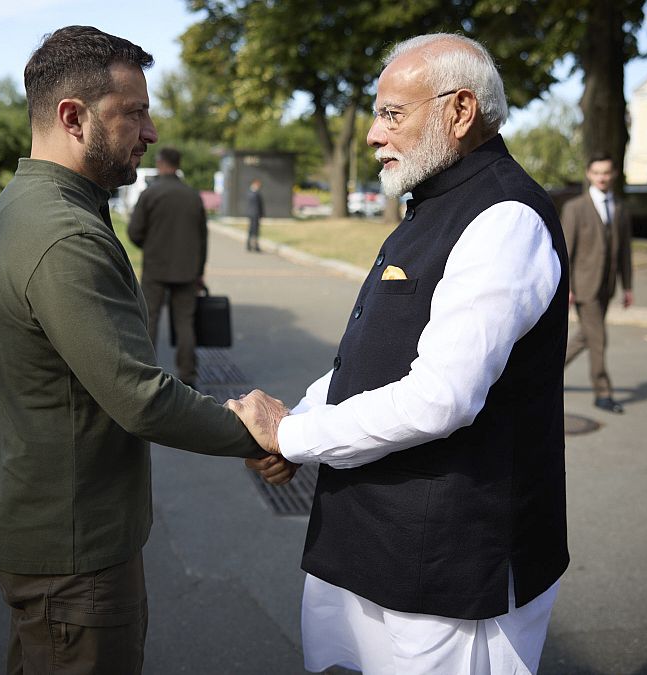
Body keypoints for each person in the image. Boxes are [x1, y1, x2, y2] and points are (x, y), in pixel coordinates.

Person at [228, 34, 569, 674]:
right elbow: (373, 357)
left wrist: (296, 435)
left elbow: (440, 398)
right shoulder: (435, 204)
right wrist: (292, 425)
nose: (372, 135)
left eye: (392, 114)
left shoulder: (503, 217)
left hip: (448, 566)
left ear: (459, 112)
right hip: (367, 540)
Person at [0, 26, 287, 674]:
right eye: (134, 112)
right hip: (74, 551)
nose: (149, 131)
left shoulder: (34, 206)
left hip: (50, 531)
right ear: (73, 117)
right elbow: (139, 396)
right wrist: (259, 433)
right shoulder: (63, 234)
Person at [560, 153, 633, 414]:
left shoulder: (620, 208)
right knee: (598, 338)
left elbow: (625, 251)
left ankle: (546, 372)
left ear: (613, 175)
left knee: (585, 337)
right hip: (583, 285)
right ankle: (603, 392)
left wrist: (627, 286)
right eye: (597, 172)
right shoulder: (575, 208)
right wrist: (566, 286)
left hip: (607, 285)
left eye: (606, 172)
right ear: (589, 175)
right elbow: (565, 251)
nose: (602, 177)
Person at [128, 147, 207, 385]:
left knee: (149, 319)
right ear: (178, 163)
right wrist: (199, 270)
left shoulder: (151, 194)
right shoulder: (192, 195)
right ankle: (188, 375)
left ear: (161, 163)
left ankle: (147, 374)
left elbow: (134, 232)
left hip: (156, 267)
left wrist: (149, 246)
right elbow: (203, 237)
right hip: (187, 269)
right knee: (185, 322)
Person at [245, 178, 263, 251]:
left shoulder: (252, 193)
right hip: (254, 214)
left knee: (253, 230)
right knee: (254, 230)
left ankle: (251, 245)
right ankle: (254, 245)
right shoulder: (253, 193)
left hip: (253, 214)